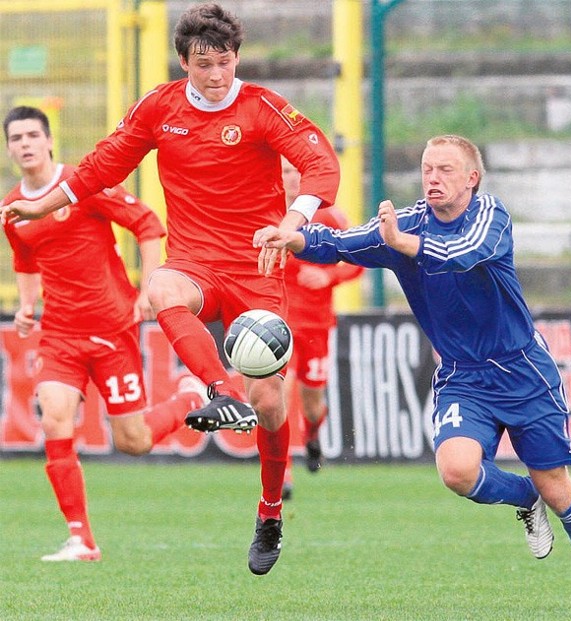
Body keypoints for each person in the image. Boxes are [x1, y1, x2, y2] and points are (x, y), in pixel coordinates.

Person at [0, 3, 340, 575]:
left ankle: (271, 510)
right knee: (161, 287)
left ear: (237, 58)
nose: (216, 74)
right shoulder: (160, 108)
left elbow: (320, 162)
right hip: (196, 263)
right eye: (203, 64)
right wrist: (40, 203)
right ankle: (215, 391)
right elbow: (101, 167)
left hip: (258, 269)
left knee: (271, 406)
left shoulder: (262, 107)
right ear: (184, 62)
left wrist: (293, 222)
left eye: (225, 62)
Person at [254, 134, 571, 610]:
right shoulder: (405, 222)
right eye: (428, 168)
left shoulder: (490, 215)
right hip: (461, 377)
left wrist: (400, 244)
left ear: (471, 178)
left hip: (523, 373)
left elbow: (463, 251)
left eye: (446, 170)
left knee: (558, 487)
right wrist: (295, 238)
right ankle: (524, 498)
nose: (433, 177)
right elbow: (341, 243)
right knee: (457, 471)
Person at [2, 105, 210, 562]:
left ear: (49, 139)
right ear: (9, 148)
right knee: (54, 416)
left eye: (33, 135)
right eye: (16, 138)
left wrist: (151, 285)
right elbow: (25, 261)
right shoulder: (14, 208)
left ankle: (190, 398)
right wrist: (27, 307)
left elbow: (148, 224)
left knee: (132, 441)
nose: (25, 144)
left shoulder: (82, 185)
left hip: (112, 328)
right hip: (59, 334)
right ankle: (81, 538)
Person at [280, 158, 363, 499]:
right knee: (278, 394)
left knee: (312, 401)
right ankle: (283, 472)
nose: (291, 179)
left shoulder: (328, 216)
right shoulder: (261, 212)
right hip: (277, 323)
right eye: (284, 172)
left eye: (297, 172)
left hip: (315, 325)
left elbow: (359, 259)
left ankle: (312, 435)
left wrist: (328, 275)